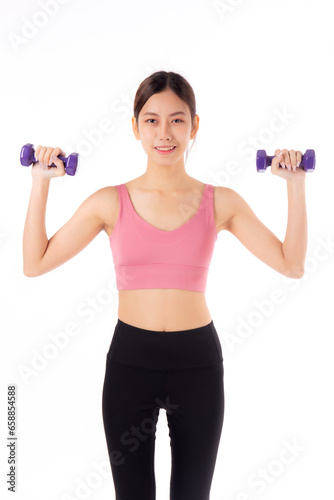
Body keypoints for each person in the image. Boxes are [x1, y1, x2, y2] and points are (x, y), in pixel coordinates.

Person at [22, 71, 307, 500]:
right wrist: (41, 182)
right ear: (135, 127)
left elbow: (292, 264)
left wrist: (296, 186)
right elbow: (34, 262)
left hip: (197, 365)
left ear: (194, 126)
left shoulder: (222, 201)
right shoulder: (108, 201)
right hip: (130, 363)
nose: (164, 132)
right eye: (152, 120)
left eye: (177, 119)